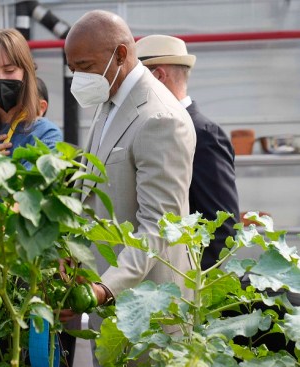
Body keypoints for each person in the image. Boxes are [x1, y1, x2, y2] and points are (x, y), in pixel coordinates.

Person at [63, 10, 196, 362]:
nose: (78, 77)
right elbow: (91, 196)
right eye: (72, 68)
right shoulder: (109, 103)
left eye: (85, 66)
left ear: (120, 55)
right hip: (110, 309)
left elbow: (160, 227)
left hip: (148, 315)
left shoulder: (160, 118)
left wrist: (105, 288)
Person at [136, 34, 239, 270]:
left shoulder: (203, 133)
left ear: (158, 77)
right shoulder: (157, 128)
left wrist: (189, 284)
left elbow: (222, 227)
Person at [0, 28, 62, 164]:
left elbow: (35, 183)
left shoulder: (45, 133)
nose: (0, 79)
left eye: (9, 70)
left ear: (26, 72)